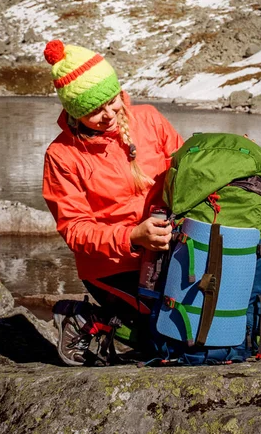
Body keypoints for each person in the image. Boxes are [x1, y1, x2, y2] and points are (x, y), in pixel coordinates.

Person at [42, 40, 183, 365]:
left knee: (190, 327)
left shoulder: (148, 119)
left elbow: (185, 170)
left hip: (165, 249)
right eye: (94, 110)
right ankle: (82, 318)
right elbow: (75, 230)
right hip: (111, 267)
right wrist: (133, 236)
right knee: (168, 338)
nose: (108, 115)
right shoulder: (62, 156)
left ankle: (116, 331)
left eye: (113, 100)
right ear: (74, 112)